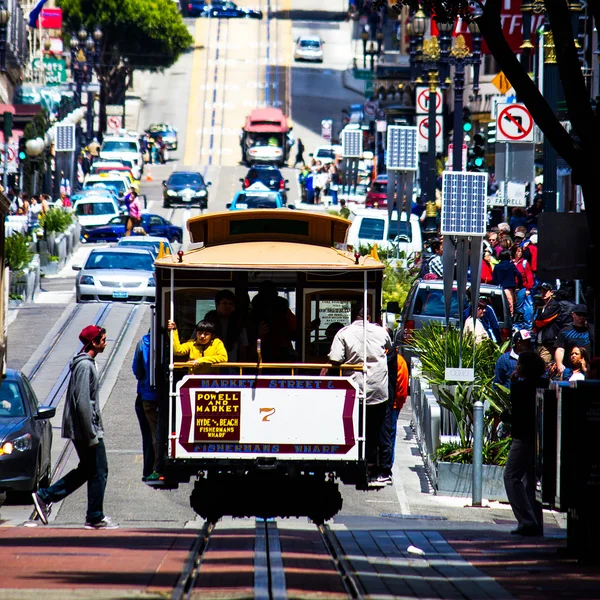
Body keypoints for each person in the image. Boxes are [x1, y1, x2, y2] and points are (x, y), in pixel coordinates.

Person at [32, 326, 118, 530]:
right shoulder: (85, 366)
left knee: (88, 470)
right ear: (93, 343)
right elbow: (83, 403)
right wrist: (91, 434)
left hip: (85, 428)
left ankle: (47, 496)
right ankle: (95, 516)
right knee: (99, 470)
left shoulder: (87, 364)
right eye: (103, 339)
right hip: (86, 429)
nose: (105, 342)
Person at [322, 307, 393, 486]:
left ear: (355, 317)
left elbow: (335, 359)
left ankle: (356, 461)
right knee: (381, 429)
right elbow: (389, 347)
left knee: (355, 427)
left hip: (356, 388)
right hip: (378, 390)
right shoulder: (380, 331)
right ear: (369, 317)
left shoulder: (344, 333)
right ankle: (383, 470)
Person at [503, 351, 547, 536]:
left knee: (511, 476)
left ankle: (527, 520)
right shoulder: (544, 385)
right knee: (530, 481)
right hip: (538, 438)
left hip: (523, 438)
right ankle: (535, 521)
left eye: (520, 364)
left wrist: (513, 384)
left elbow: (518, 409)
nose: (517, 367)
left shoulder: (523, 387)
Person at [132, 331, 159, 482]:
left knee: (149, 434)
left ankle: (150, 469)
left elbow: (137, 370)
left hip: (146, 394)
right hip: (159, 395)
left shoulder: (143, 343)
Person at [247, 281, 297, 362]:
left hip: (274, 355)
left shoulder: (254, 313)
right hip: (273, 355)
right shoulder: (283, 310)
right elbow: (295, 332)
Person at [204, 289, 248, 361]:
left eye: (230, 304)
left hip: (232, 368)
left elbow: (242, 349)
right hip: (212, 366)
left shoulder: (238, 324)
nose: (228, 306)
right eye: (224, 303)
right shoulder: (206, 323)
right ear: (217, 304)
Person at [554, 304, 593, 378]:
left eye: (584, 315)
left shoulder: (591, 330)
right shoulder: (565, 331)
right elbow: (560, 349)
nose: (581, 317)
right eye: (579, 314)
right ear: (573, 314)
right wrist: (559, 364)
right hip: (569, 370)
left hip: (587, 368)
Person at [533, 282, 560, 365]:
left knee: (544, 367)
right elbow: (535, 322)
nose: (543, 293)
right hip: (539, 343)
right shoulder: (540, 306)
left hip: (548, 344)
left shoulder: (554, 305)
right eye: (541, 291)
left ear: (551, 292)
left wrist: (537, 322)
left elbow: (543, 319)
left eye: (545, 291)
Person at [492, 250, 522, 317]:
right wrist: (519, 285)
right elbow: (518, 274)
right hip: (509, 288)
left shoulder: (497, 266)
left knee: (500, 305)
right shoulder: (511, 265)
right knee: (510, 305)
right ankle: (509, 318)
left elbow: (493, 278)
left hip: (498, 288)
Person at [511, 245, 534, 330]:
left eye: (520, 251)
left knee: (520, 307)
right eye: (517, 251)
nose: (519, 253)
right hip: (512, 288)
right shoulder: (510, 262)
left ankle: (519, 324)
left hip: (522, 288)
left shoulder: (524, 263)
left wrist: (528, 288)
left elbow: (529, 276)